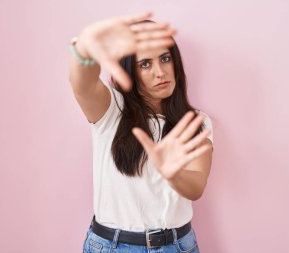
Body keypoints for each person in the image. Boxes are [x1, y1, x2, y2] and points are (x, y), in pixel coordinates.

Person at [68, 11, 214, 253]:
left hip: (178, 246)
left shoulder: (196, 122)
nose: (160, 72)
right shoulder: (111, 110)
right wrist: (84, 47)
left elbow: (196, 187)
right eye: (145, 64)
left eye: (165, 58)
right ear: (129, 71)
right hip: (113, 246)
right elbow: (81, 83)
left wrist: (173, 174)